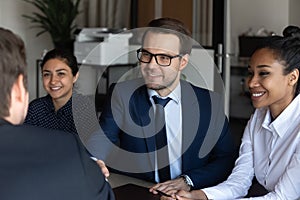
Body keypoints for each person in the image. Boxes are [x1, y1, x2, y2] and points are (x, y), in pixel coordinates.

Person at [90, 17, 237, 194]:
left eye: (163, 58)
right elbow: (103, 138)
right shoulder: (122, 94)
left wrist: (188, 181)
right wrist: (94, 160)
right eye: (146, 55)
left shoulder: (209, 103)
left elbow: (226, 158)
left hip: (187, 195)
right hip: (139, 192)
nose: (151, 65)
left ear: (183, 62)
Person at [172, 25, 300, 200]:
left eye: (263, 73)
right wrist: (197, 196)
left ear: (292, 77)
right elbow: (239, 182)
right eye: (250, 73)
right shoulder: (258, 117)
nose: (251, 82)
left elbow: (283, 197)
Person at [0, 27, 115, 200]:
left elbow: (91, 153)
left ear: (75, 76)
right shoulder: (35, 108)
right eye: (47, 75)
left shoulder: (83, 108)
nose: (53, 81)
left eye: (61, 74)